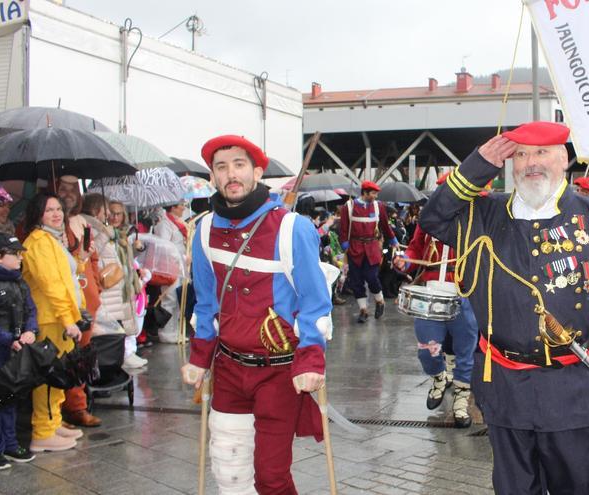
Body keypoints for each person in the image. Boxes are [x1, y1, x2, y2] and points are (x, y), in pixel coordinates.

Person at [420, 122, 589, 493]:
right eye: (520, 154)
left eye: (541, 152)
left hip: (573, 386)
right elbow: (433, 218)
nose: (530, 163)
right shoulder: (482, 215)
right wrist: (478, 165)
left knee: (580, 484)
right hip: (507, 388)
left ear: (564, 159)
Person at [180, 135, 332, 494]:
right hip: (230, 369)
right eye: (221, 167)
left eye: (239, 165)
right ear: (213, 177)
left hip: (279, 372)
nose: (231, 174)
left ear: (257, 171)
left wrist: (311, 360)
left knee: (270, 477)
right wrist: (200, 357)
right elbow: (205, 304)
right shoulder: (203, 231)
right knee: (229, 471)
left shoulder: (293, 228)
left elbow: (314, 301)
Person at [393, 174, 479, 428]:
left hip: (464, 295)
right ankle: (439, 376)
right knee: (426, 350)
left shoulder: (474, 220)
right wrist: (405, 261)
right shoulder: (426, 222)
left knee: (466, 352)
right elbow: (415, 249)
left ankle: (461, 400)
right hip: (430, 293)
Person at [22, 194, 85, 452]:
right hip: (50, 318)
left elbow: (65, 275)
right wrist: (67, 319)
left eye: (58, 209)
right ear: (39, 213)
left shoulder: (51, 239)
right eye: (49, 210)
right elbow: (51, 285)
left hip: (61, 317)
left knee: (58, 375)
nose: (56, 214)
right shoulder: (38, 242)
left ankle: (53, 421)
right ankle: (43, 431)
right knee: (48, 376)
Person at [53, 175, 102, 428]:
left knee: (82, 355)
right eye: (63, 189)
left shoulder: (82, 223)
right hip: (62, 301)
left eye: (73, 189)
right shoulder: (44, 227)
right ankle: (67, 408)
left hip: (85, 298)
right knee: (63, 355)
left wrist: (97, 287)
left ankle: (77, 405)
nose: (68, 194)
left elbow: (91, 259)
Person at [81, 194, 146, 369]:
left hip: (120, 282)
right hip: (107, 284)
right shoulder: (91, 227)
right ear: (96, 210)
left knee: (121, 322)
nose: (110, 215)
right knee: (113, 326)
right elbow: (92, 252)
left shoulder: (109, 229)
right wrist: (105, 235)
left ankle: (125, 355)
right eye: (107, 210)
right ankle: (117, 359)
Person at [0, 233, 38, 468]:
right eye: (15, 254)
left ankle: (11, 445)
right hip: (2, 348)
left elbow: (30, 310)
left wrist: (31, 331)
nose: (20, 258)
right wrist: (8, 339)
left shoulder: (20, 282)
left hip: (16, 349)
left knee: (11, 397)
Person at [338, 180, 398, 323]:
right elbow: (344, 228)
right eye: (373, 193)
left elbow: (384, 225)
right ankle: (363, 310)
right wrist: (345, 245)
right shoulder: (349, 207)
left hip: (372, 247)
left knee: (371, 277)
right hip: (355, 248)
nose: (375, 196)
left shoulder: (379, 207)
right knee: (357, 281)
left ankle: (380, 301)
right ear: (364, 193)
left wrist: (393, 240)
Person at [153, 202, 188, 343]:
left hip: (181, 266)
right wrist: (182, 257)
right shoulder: (164, 224)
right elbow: (164, 247)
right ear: (173, 207)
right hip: (169, 266)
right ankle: (167, 332)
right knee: (170, 299)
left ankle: (175, 331)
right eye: (181, 205)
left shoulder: (179, 222)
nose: (183, 207)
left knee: (179, 299)